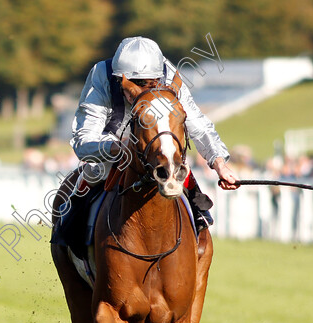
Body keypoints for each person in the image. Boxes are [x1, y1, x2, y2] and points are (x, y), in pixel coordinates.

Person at [68, 36, 239, 233]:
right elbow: (84, 141)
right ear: (119, 78)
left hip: (157, 143)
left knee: (175, 162)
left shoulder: (169, 75)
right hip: (112, 142)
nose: (138, 90)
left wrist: (219, 164)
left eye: (148, 83)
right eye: (133, 83)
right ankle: (70, 232)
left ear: (159, 78)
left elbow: (198, 124)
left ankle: (199, 219)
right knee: (95, 171)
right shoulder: (101, 75)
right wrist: (117, 147)